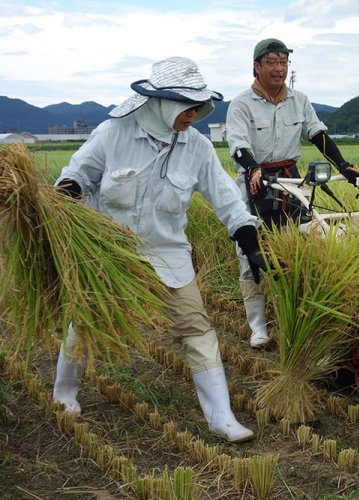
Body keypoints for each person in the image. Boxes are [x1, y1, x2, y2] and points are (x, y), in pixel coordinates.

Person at [52, 57, 264, 443]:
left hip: (168, 252)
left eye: (200, 108)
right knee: (86, 321)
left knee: (196, 326)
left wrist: (247, 237)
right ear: (163, 102)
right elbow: (79, 173)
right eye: (189, 107)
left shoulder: (196, 147)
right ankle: (64, 395)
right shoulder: (113, 133)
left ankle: (222, 417)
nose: (195, 115)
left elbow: (226, 197)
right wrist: (69, 191)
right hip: (110, 250)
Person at [226, 38, 359, 348]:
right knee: (251, 255)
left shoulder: (299, 100)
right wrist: (253, 169)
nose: (279, 68)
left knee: (316, 238)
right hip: (255, 182)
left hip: (291, 182)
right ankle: (258, 327)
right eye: (272, 62)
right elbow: (238, 145)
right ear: (256, 67)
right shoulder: (241, 104)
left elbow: (317, 134)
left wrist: (343, 165)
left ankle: (308, 310)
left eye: (284, 62)